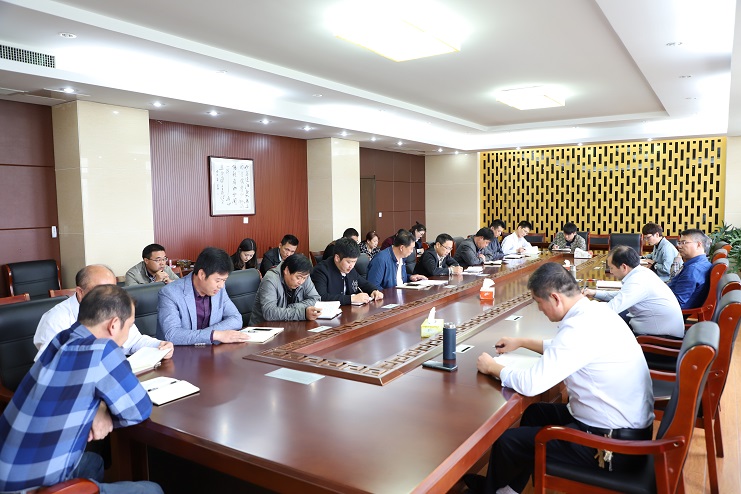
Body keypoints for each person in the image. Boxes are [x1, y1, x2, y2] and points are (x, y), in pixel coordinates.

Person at [466, 262, 653, 494]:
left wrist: (493, 367)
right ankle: (506, 490)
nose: (540, 309)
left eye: (538, 302)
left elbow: (531, 384)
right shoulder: (595, 312)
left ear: (555, 298)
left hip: (612, 448)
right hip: (624, 430)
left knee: (508, 442)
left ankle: (493, 491)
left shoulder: (578, 327)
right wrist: (521, 342)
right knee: (535, 413)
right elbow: (563, 349)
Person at [0, 285, 163, 494]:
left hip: (7, 472)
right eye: (130, 326)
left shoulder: (61, 338)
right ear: (114, 325)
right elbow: (139, 409)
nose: (129, 333)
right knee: (151, 489)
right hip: (32, 489)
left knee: (93, 462)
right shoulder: (103, 350)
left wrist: (99, 408)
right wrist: (101, 410)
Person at [34, 264, 174, 362]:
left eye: (113, 290)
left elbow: (134, 341)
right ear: (80, 292)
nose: (110, 297)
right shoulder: (56, 318)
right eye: (101, 291)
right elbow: (48, 365)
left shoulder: (116, 306)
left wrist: (159, 345)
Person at [583, 246, 684, 338]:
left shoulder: (637, 282)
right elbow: (622, 295)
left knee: (601, 329)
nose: (611, 272)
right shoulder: (641, 273)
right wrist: (595, 293)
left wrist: (582, 305)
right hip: (656, 330)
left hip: (659, 339)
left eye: (612, 268)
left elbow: (611, 309)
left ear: (624, 267)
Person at [157, 247, 247, 345]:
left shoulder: (219, 289)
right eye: (217, 280)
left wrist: (204, 335)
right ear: (201, 274)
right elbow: (172, 335)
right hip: (180, 353)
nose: (221, 285)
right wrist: (214, 335)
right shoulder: (169, 293)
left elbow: (236, 319)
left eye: (224, 280)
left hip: (212, 350)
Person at [250, 254, 322, 324]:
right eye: (298, 277)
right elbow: (269, 312)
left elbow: (315, 299)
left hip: (289, 325)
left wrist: (292, 307)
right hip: (264, 327)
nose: (301, 282)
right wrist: (303, 313)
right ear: (287, 270)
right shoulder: (270, 279)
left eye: (304, 278)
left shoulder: (304, 276)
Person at [311, 238, 384, 305]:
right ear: (337, 258)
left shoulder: (350, 269)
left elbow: (363, 283)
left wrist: (374, 291)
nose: (351, 266)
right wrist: (351, 299)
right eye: (348, 262)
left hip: (350, 310)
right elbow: (322, 297)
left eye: (354, 262)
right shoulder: (321, 271)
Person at [668, 229, 713, 309]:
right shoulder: (702, 263)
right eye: (679, 243)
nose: (679, 246)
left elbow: (677, 303)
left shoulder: (693, 269)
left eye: (684, 243)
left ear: (698, 245)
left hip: (672, 310)